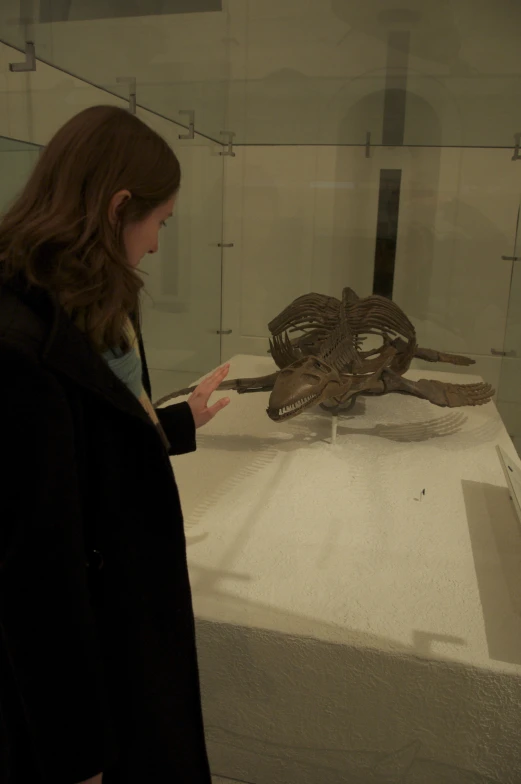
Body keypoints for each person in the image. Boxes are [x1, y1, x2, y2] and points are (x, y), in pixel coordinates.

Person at [0, 105, 230, 784]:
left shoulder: (93, 302)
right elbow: (33, 573)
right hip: (90, 665)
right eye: (158, 222)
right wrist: (77, 755)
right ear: (117, 206)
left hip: (124, 623)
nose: (157, 243)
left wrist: (177, 421)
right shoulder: (17, 345)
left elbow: (90, 438)